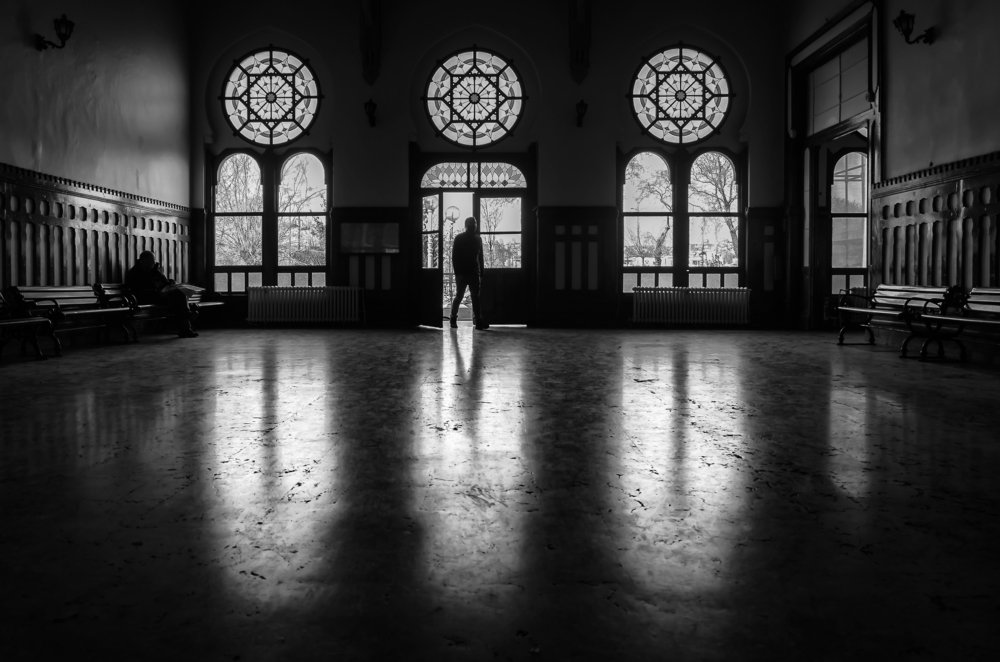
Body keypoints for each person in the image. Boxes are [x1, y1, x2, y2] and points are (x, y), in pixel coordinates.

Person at [124, 251, 198, 337]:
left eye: (153, 261)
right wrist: (159, 291)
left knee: (180, 293)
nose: (153, 263)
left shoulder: (154, 271)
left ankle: (186, 325)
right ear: (143, 261)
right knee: (179, 296)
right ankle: (187, 319)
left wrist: (170, 284)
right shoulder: (134, 273)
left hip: (159, 295)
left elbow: (164, 282)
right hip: (145, 297)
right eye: (151, 261)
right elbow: (137, 290)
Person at [450, 216, 488, 330]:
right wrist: (481, 273)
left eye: (475, 223)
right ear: (469, 225)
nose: (474, 225)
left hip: (467, 273)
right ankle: (477, 321)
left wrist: (480, 273)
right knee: (470, 297)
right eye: (473, 223)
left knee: (462, 296)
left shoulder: (460, 238)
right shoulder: (476, 239)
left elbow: (455, 258)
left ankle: (454, 319)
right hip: (469, 272)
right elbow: (479, 258)